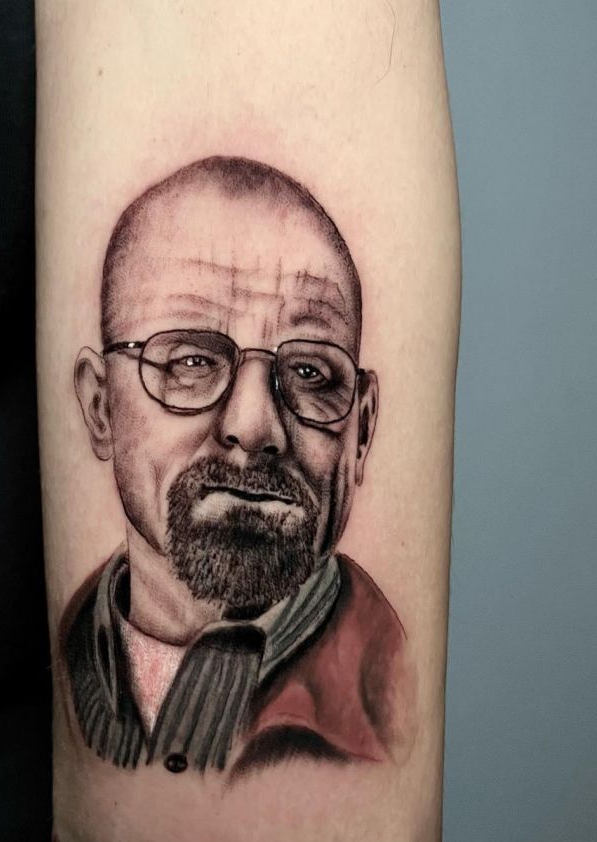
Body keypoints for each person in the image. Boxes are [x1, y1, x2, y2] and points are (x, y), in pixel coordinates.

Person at [64, 157, 412, 777]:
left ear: (361, 430)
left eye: (310, 373)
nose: (253, 427)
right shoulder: (47, 668)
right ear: (100, 408)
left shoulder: (389, 725)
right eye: (191, 362)